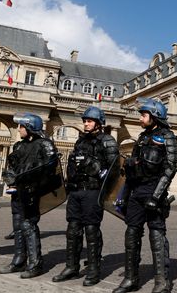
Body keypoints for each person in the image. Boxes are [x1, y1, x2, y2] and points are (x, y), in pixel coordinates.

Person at [113, 98, 177, 293]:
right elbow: (132, 168)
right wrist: (124, 194)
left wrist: (156, 196)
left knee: (156, 235)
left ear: (154, 116)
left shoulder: (168, 137)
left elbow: (170, 169)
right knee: (131, 234)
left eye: (143, 115)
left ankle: (162, 282)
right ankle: (130, 278)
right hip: (136, 192)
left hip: (153, 191)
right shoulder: (141, 138)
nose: (140, 118)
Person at [53, 106, 119, 286]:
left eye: (89, 121)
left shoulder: (108, 141)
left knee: (91, 230)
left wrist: (95, 167)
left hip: (93, 191)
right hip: (76, 191)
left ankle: (93, 270)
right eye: (85, 121)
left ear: (98, 123)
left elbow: (114, 171)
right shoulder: (80, 142)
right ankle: (71, 267)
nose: (86, 124)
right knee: (73, 229)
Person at [0, 113, 59, 278]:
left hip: (33, 192)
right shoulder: (19, 146)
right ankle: (18, 261)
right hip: (17, 191)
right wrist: (10, 177)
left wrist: (34, 185)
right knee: (17, 226)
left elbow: (49, 169)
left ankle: (35, 264)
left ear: (31, 127)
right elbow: (13, 166)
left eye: (21, 126)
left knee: (28, 226)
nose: (18, 129)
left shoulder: (45, 144)